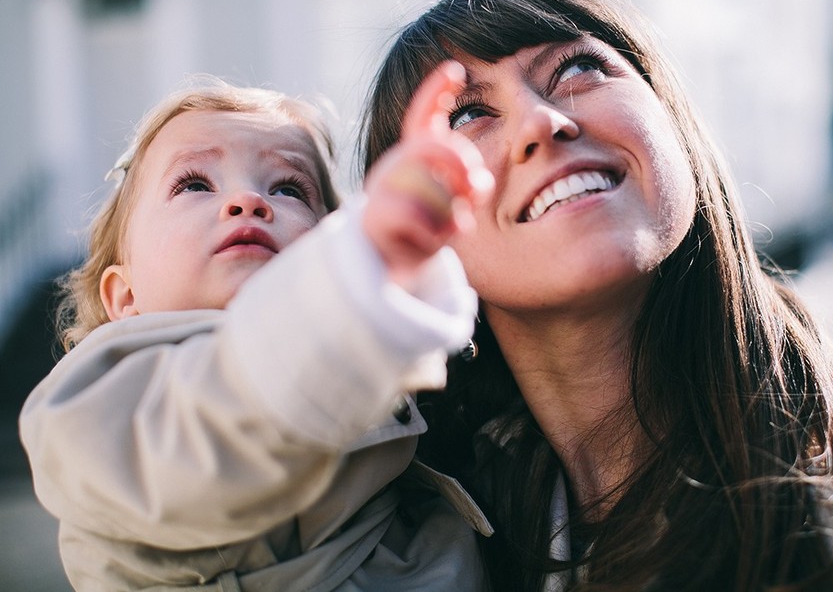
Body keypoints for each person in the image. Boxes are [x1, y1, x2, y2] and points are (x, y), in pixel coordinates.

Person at [359, 0, 833, 591]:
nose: (540, 122)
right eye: (467, 113)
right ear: (419, 231)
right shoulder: (411, 549)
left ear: (676, 126)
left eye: (578, 70)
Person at [20, 73, 495, 590]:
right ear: (125, 298)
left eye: (289, 188)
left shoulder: (368, 367)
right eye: (195, 184)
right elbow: (215, 435)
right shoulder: (97, 400)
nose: (247, 200)